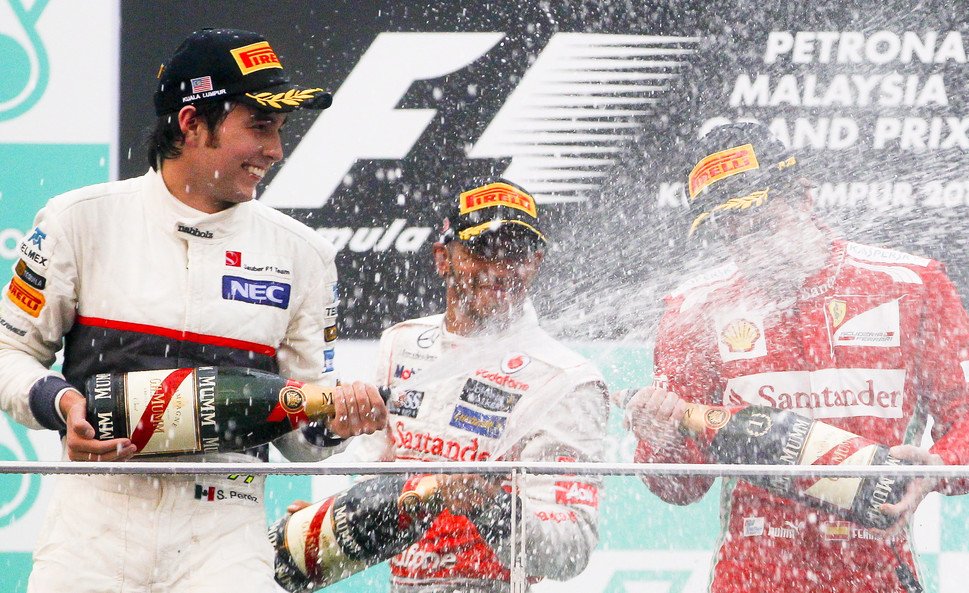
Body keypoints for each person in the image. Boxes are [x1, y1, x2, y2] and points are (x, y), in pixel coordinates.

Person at [0, 28, 387, 593]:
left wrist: (337, 425)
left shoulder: (304, 255)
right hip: (93, 526)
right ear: (191, 123)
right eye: (260, 126)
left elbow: (301, 442)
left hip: (225, 538)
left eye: (280, 130)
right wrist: (61, 404)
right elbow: (8, 353)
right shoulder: (77, 221)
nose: (276, 151)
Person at [622, 122, 969, 593]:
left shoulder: (911, 285)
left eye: (764, 225)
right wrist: (660, 441)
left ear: (804, 197)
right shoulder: (693, 311)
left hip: (876, 574)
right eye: (732, 235)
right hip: (753, 576)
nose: (753, 248)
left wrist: (937, 468)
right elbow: (681, 487)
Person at [317, 179, 609, 593]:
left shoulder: (567, 380)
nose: (500, 269)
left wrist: (489, 506)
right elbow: (376, 478)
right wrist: (326, 525)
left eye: (516, 253)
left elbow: (570, 549)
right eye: (482, 250)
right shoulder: (400, 343)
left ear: (537, 261)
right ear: (442, 258)